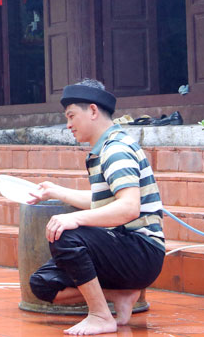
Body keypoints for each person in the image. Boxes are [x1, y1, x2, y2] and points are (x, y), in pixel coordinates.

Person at [27, 79, 164, 335]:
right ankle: (120, 297)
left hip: (141, 251)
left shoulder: (116, 150)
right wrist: (54, 191)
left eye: (71, 116)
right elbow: (104, 202)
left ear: (92, 111)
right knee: (43, 284)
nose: (68, 125)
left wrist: (76, 220)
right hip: (123, 249)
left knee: (66, 233)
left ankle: (101, 316)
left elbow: (129, 208)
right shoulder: (106, 148)